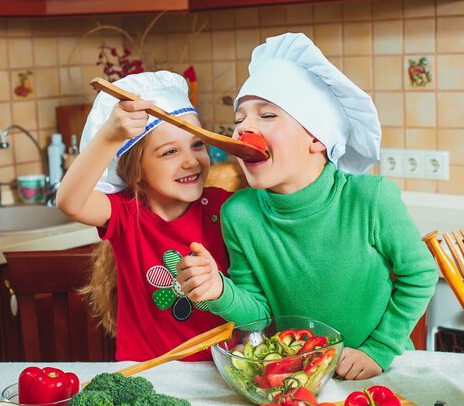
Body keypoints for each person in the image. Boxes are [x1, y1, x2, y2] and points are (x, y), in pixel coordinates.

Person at [176, 33, 438, 379]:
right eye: (239, 120)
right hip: (300, 377)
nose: (244, 130)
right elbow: (260, 314)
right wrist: (220, 291)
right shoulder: (239, 214)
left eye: (267, 115)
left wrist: (380, 349)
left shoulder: (370, 198)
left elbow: (420, 274)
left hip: (383, 373)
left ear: (317, 137)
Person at [56, 71, 232, 362]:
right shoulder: (128, 214)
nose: (191, 161)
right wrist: (109, 138)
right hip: (148, 373)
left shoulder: (225, 208)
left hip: (219, 372)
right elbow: (70, 202)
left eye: (197, 144)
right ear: (136, 171)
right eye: (170, 152)